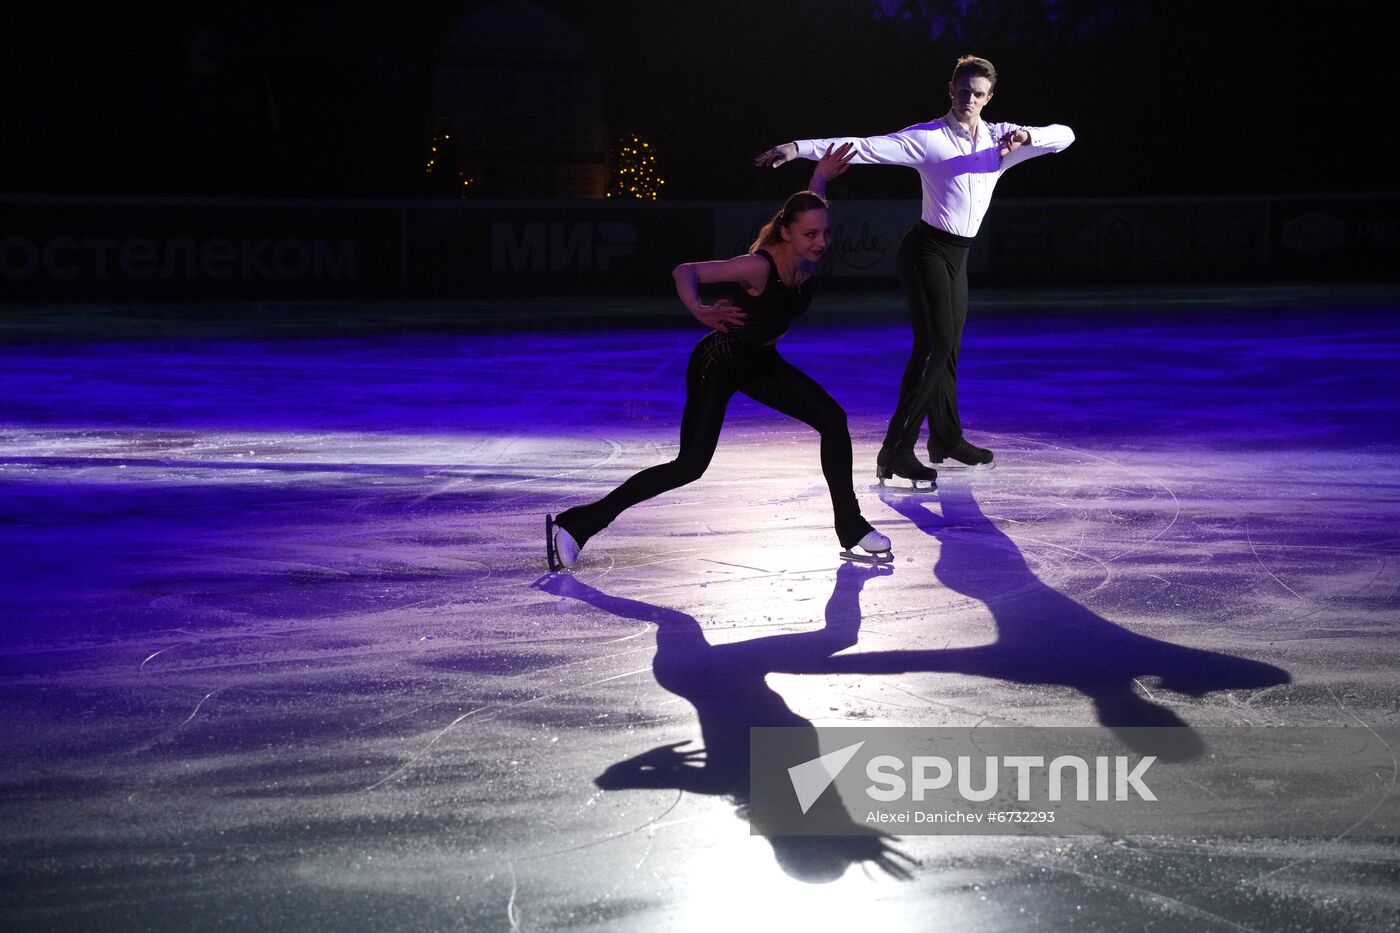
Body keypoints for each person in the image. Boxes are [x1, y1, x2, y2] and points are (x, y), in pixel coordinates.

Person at [547, 145, 892, 570]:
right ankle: (577, 525)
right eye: (811, 235)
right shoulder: (757, 268)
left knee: (833, 421)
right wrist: (698, 309)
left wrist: (819, 177)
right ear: (786, 233)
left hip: (760, 363)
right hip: (719, 363)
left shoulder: (805, 251)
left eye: (826, 233)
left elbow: (810, 210)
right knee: (688, 466)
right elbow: (684, 270)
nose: (821, 242)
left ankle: (851, 526)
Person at [756, 55, 1074, 484]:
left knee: (950, 347)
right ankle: (896, 449)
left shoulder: (1002, 140)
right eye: (963, 92)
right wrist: (799, 148)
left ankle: (945, 438)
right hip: (925, 251)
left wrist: (1027, 135)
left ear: (989, 97)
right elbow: (866, 145)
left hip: (957, 257)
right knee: (935, 343)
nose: (970, 100)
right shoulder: (928, 138)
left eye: (978, 94)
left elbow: (1065, 136)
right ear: (951, 89)